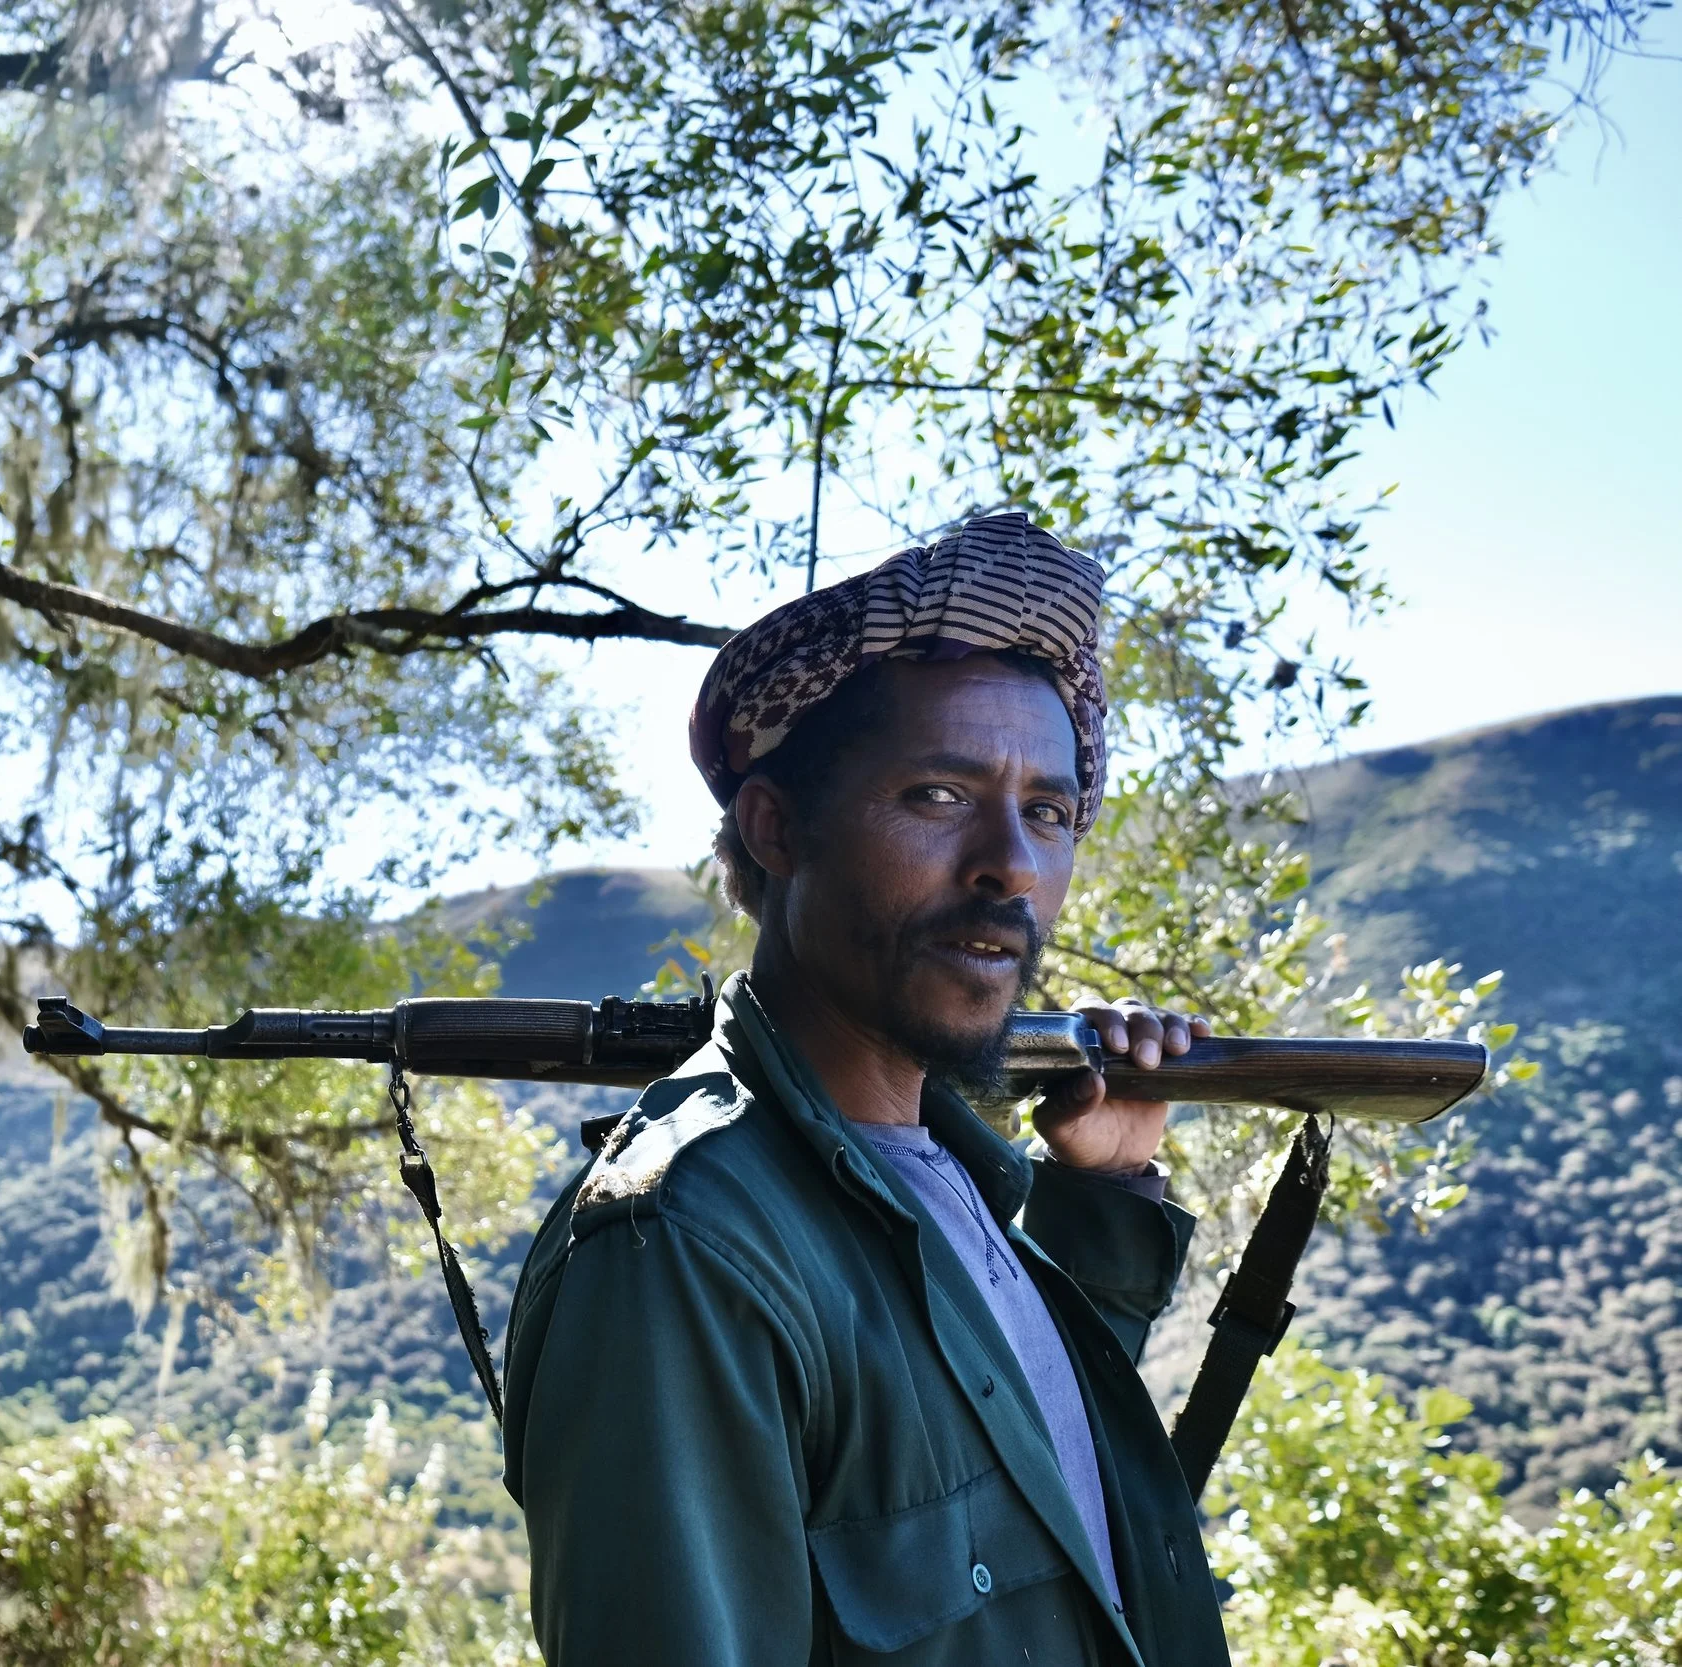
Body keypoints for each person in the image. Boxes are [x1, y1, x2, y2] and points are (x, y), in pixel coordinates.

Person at [500, 511, 1233, 1666]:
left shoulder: (939, 1168)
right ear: (777, 827)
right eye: (940, 795)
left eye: (1047, 810)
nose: (1009, 864)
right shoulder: (688, 1247)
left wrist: (1109, 1188)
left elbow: (1005, 1476)